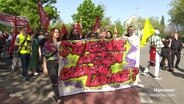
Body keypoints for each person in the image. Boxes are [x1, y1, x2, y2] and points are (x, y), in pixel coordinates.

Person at [42, 28, 63, 104]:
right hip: (51, 64)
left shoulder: (60, 43)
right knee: (55, 81)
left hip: (60, 64)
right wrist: (45, 68)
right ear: (52, 33)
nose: (57, 33)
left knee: (59, 81)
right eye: (55, 32)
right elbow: (44, 55)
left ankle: (59, 95)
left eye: (58, 32)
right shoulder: (48, 43)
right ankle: (57, 98)